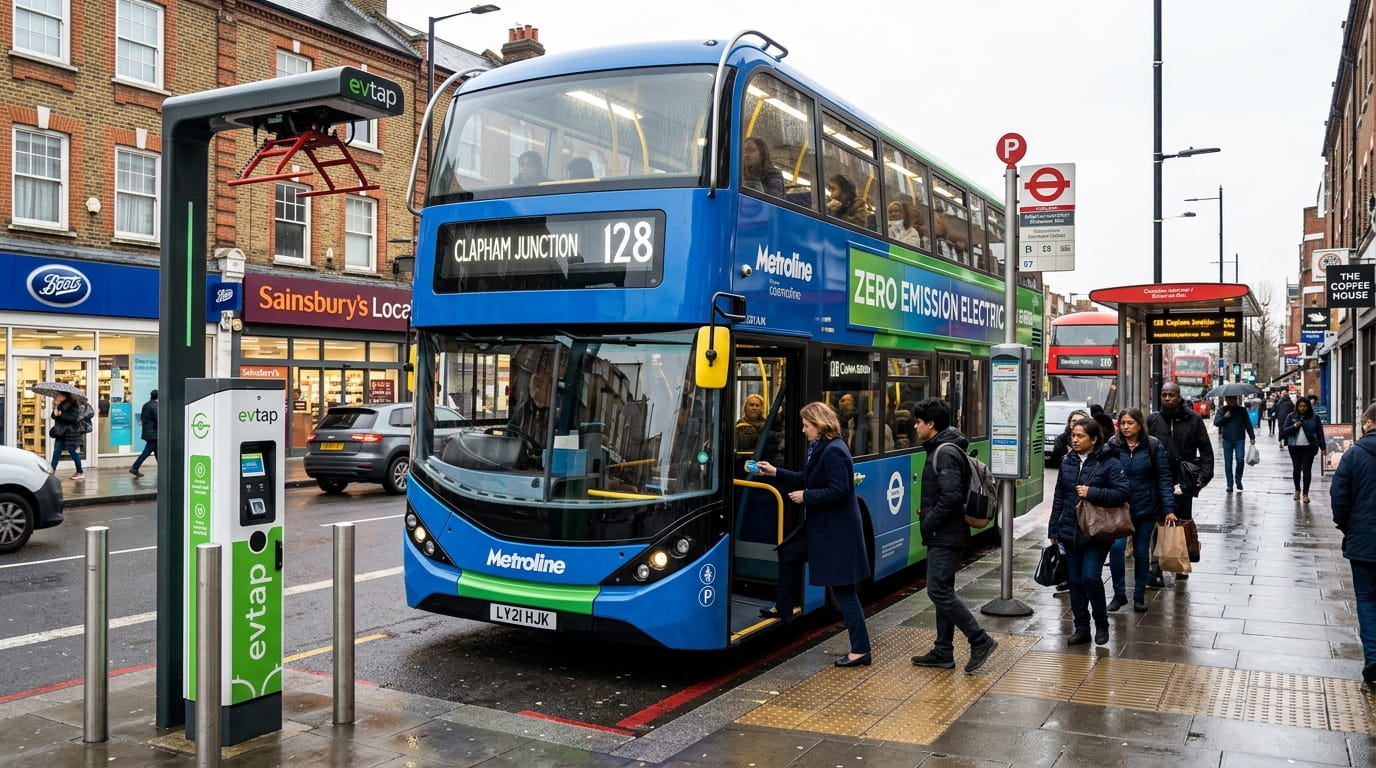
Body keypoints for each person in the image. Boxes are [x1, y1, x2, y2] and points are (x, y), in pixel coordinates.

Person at [755, 402, 872, 667]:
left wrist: (806, 496)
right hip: (823, 528)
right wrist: (775, 472)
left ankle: (861, 649)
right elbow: (807, 477)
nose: (803, 430)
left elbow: (840, 490)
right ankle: (783, 608)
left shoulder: (835, 450)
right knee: (789, 552)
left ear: (819, 425)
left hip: (837, 533)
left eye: (806, 425)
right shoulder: (820, 447)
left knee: (844, 592)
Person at [908, 397, 1000, 673]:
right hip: (947, 532)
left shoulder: (945, 452)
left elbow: (951, 496)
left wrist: (928, 522)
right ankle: (943, 651)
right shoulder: (944, 447)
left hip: (946, 534)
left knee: (937, 589)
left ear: (931, 424)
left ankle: (979, 639)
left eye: (918, 422)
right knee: (943, 590)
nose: (915, 427)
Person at [1048, 417, 1130, 646]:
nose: (1075, 440)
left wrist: (1092, 492)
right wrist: (1054, 528)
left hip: (1096, 532)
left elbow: (1122, 492)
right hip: (1069, 531)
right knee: (1075, 581)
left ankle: (1101, 625)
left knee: (1090, 577)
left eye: (1080, 436)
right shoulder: (1067, 461)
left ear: (1093, 439)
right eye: (1073, 435)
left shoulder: (1109, 463)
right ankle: (1081, 628)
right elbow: (1059, 496)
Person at [1106, 408, 1174, 613]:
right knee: (1116, 549)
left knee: (1141, 552)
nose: (1126, 427)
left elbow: (1164, 478)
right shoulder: (1113, 445)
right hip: (1119, 508)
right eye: (1123, 423)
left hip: (1146, 508)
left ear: (1139, 425)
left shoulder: (1153, 445)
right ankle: (1119, 594)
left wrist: (1169, 508)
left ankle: (1139, 596)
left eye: (1130, 423)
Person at [1147, 382, 1214, 586]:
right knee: (1158, 522)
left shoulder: (1194, 420)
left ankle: (1180, 564)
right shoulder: (1153, 420)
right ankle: (1156, 566)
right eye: (1164, 395)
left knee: (1181, 522)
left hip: (1184, 480)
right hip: (1158, 479)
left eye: (1171, 395)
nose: (1167, 398)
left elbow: (1206, 450)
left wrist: (1203, 477)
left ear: (1179, 397)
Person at [1330, 402, 1376, 691]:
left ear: (1368, 423)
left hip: (1364, 542)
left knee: (1368, 600)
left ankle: (1374, 663)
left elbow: (1339, 498)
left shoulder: (1354, 454)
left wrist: (1350, 527)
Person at [1280, 395, 1326, 503]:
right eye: (1300, 406)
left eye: (1304, 406)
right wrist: (1294, 426)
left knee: (1306, 470)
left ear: (1308, 407)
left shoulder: (1314, 417)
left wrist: (1323, 447)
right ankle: (1297, 490)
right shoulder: (1291, 416)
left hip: (1309, 447)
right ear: (1297, 407)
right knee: (1296, 470)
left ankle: (1305, 493)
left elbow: (1319, 433)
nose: (1302, 408)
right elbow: (1284, 430)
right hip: (1294, 446)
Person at [1214, 395, 1256, 493]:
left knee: (1240, 460)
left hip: (1239, 439)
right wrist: (1225, 417)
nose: (1231, 401)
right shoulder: (1222, 410)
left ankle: (1238, 480)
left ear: (1236, 399)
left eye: (1233, 399)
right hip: (1227, 440)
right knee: (1228, 463)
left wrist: (1252, 436)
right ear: (1226, 399)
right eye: (1229, 399)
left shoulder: (1242, 410)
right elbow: (1216, 423)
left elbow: (1248, 423)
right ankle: (1229, 484)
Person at [49, 392, 85, 479]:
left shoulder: (73, 405)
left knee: (73, 452)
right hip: (61, 433)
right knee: (56, 451)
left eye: (58, 395)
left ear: (64, 396)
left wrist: (61, 414)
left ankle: (80, 472)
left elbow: (74, 418)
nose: (57, 397)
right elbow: (54, 416)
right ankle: (52, 470)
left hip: (70, 433)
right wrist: (55, 413)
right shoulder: (60, 405)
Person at [129, 389, 158, 478]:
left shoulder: (146, 405)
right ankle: (135, 467)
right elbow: (157, 419)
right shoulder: (155, 406)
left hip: (147, 432)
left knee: (157, 451)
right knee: (147, 451)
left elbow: (143, 418)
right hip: (153, 433)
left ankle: (163, 470)